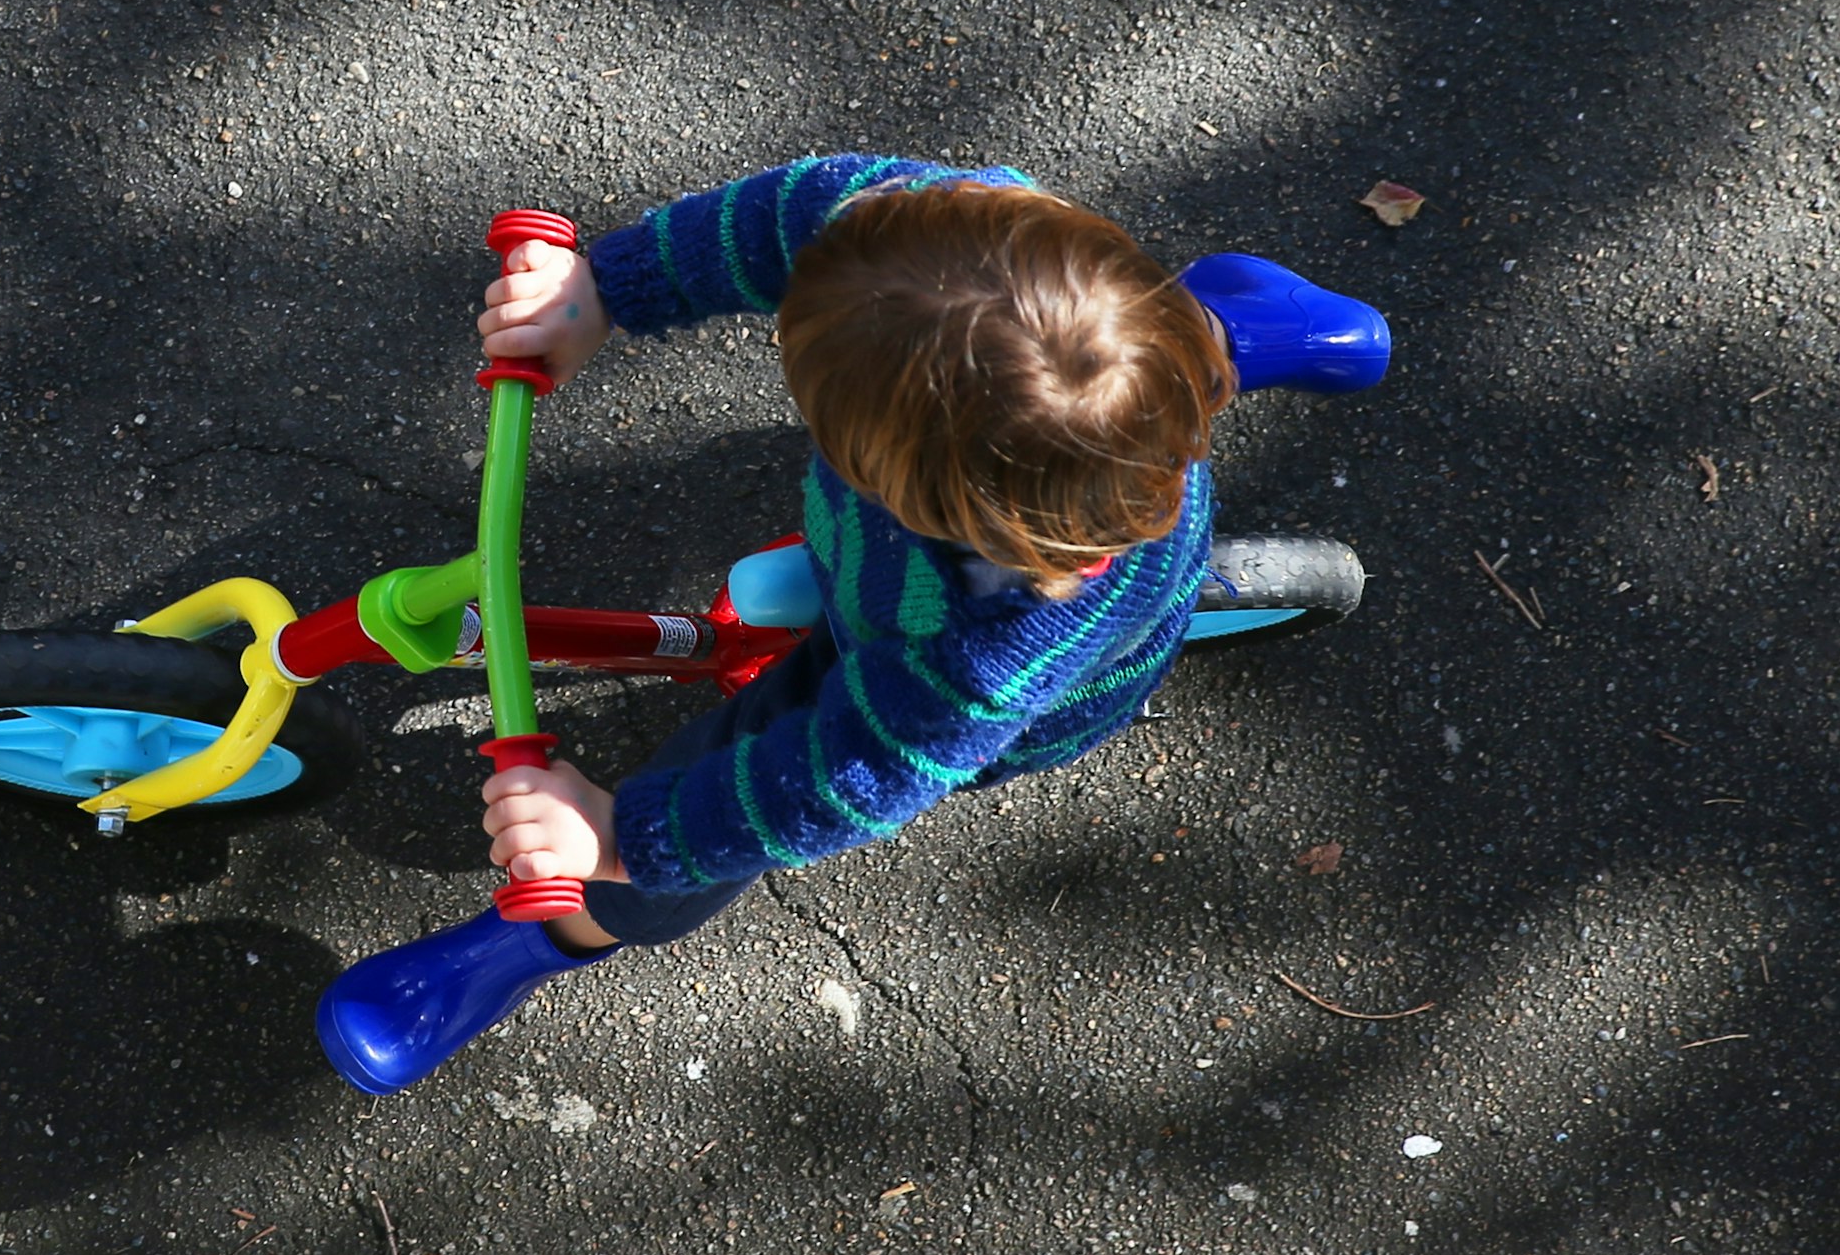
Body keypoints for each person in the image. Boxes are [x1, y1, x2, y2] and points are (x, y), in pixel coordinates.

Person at [315, 153, 1240, 1095]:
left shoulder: (981, 660)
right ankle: (1220, 324)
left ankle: (553, 929)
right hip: (978, 487)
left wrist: (617, 839)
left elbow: (842, 782)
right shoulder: (935, 235)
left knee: (732, 790)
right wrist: (605, 288)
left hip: (903, 656)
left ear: (910, 499)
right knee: (1143, 353)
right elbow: (785, 217)